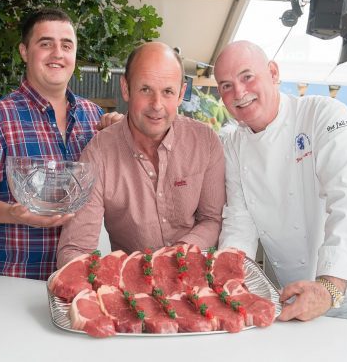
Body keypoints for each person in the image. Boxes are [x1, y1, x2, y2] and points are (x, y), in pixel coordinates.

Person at [214, 40, 347, 323]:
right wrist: (229, 280)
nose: (239, 92)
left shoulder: (323, 116)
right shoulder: (233, 145)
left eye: (247, 77)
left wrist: (329, 287)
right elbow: (239, 220)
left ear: (273, 73)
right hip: (296, 301)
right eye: (226, 86)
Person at [0, 8, 121, 280]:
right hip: (14, 280)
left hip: (80, 279)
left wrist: (122, 133)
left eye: (66, 45)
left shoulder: (95, 117)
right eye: (46, 44)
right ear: (24, 51)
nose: (57, 53)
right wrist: (14, 214)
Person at [57, 42, 226, 267]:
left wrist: (177, 254)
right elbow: (75, 248)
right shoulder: (98, 153)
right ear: (126, 89)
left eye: (167, 92)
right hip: (130, 290)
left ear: (181, 94)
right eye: (145, 90)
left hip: (194, 276)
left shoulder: (205, 142)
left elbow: (211, 219)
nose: (156, 105)